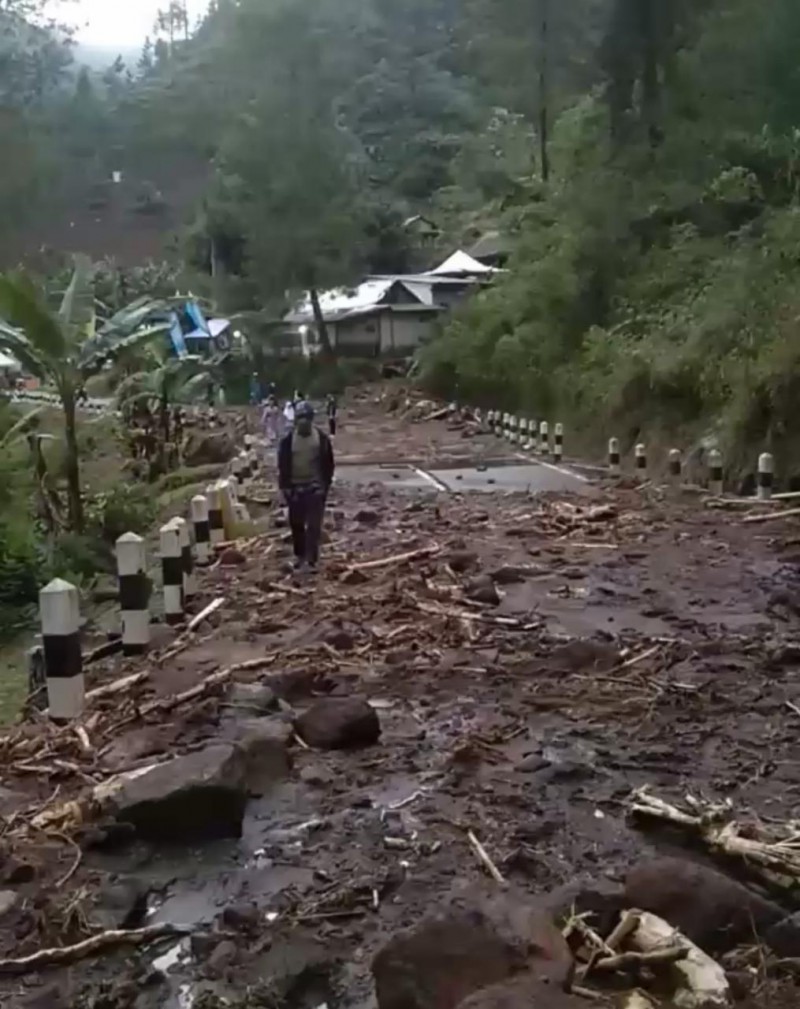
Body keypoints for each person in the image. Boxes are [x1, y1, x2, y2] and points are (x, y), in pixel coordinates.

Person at [278, 401, 334, 571]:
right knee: (296, 525)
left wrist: (325, 485)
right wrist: (285, 487)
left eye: (306, 418)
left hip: (314, 487)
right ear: (295, 420)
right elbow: (283, 465)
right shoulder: (288, 441)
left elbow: (329, 464)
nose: (303, 422)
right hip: (295, 488)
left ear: (311, 419)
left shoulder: (321, 439)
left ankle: (311, 559)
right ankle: (300, 555)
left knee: (314, 526)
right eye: (300, 418)